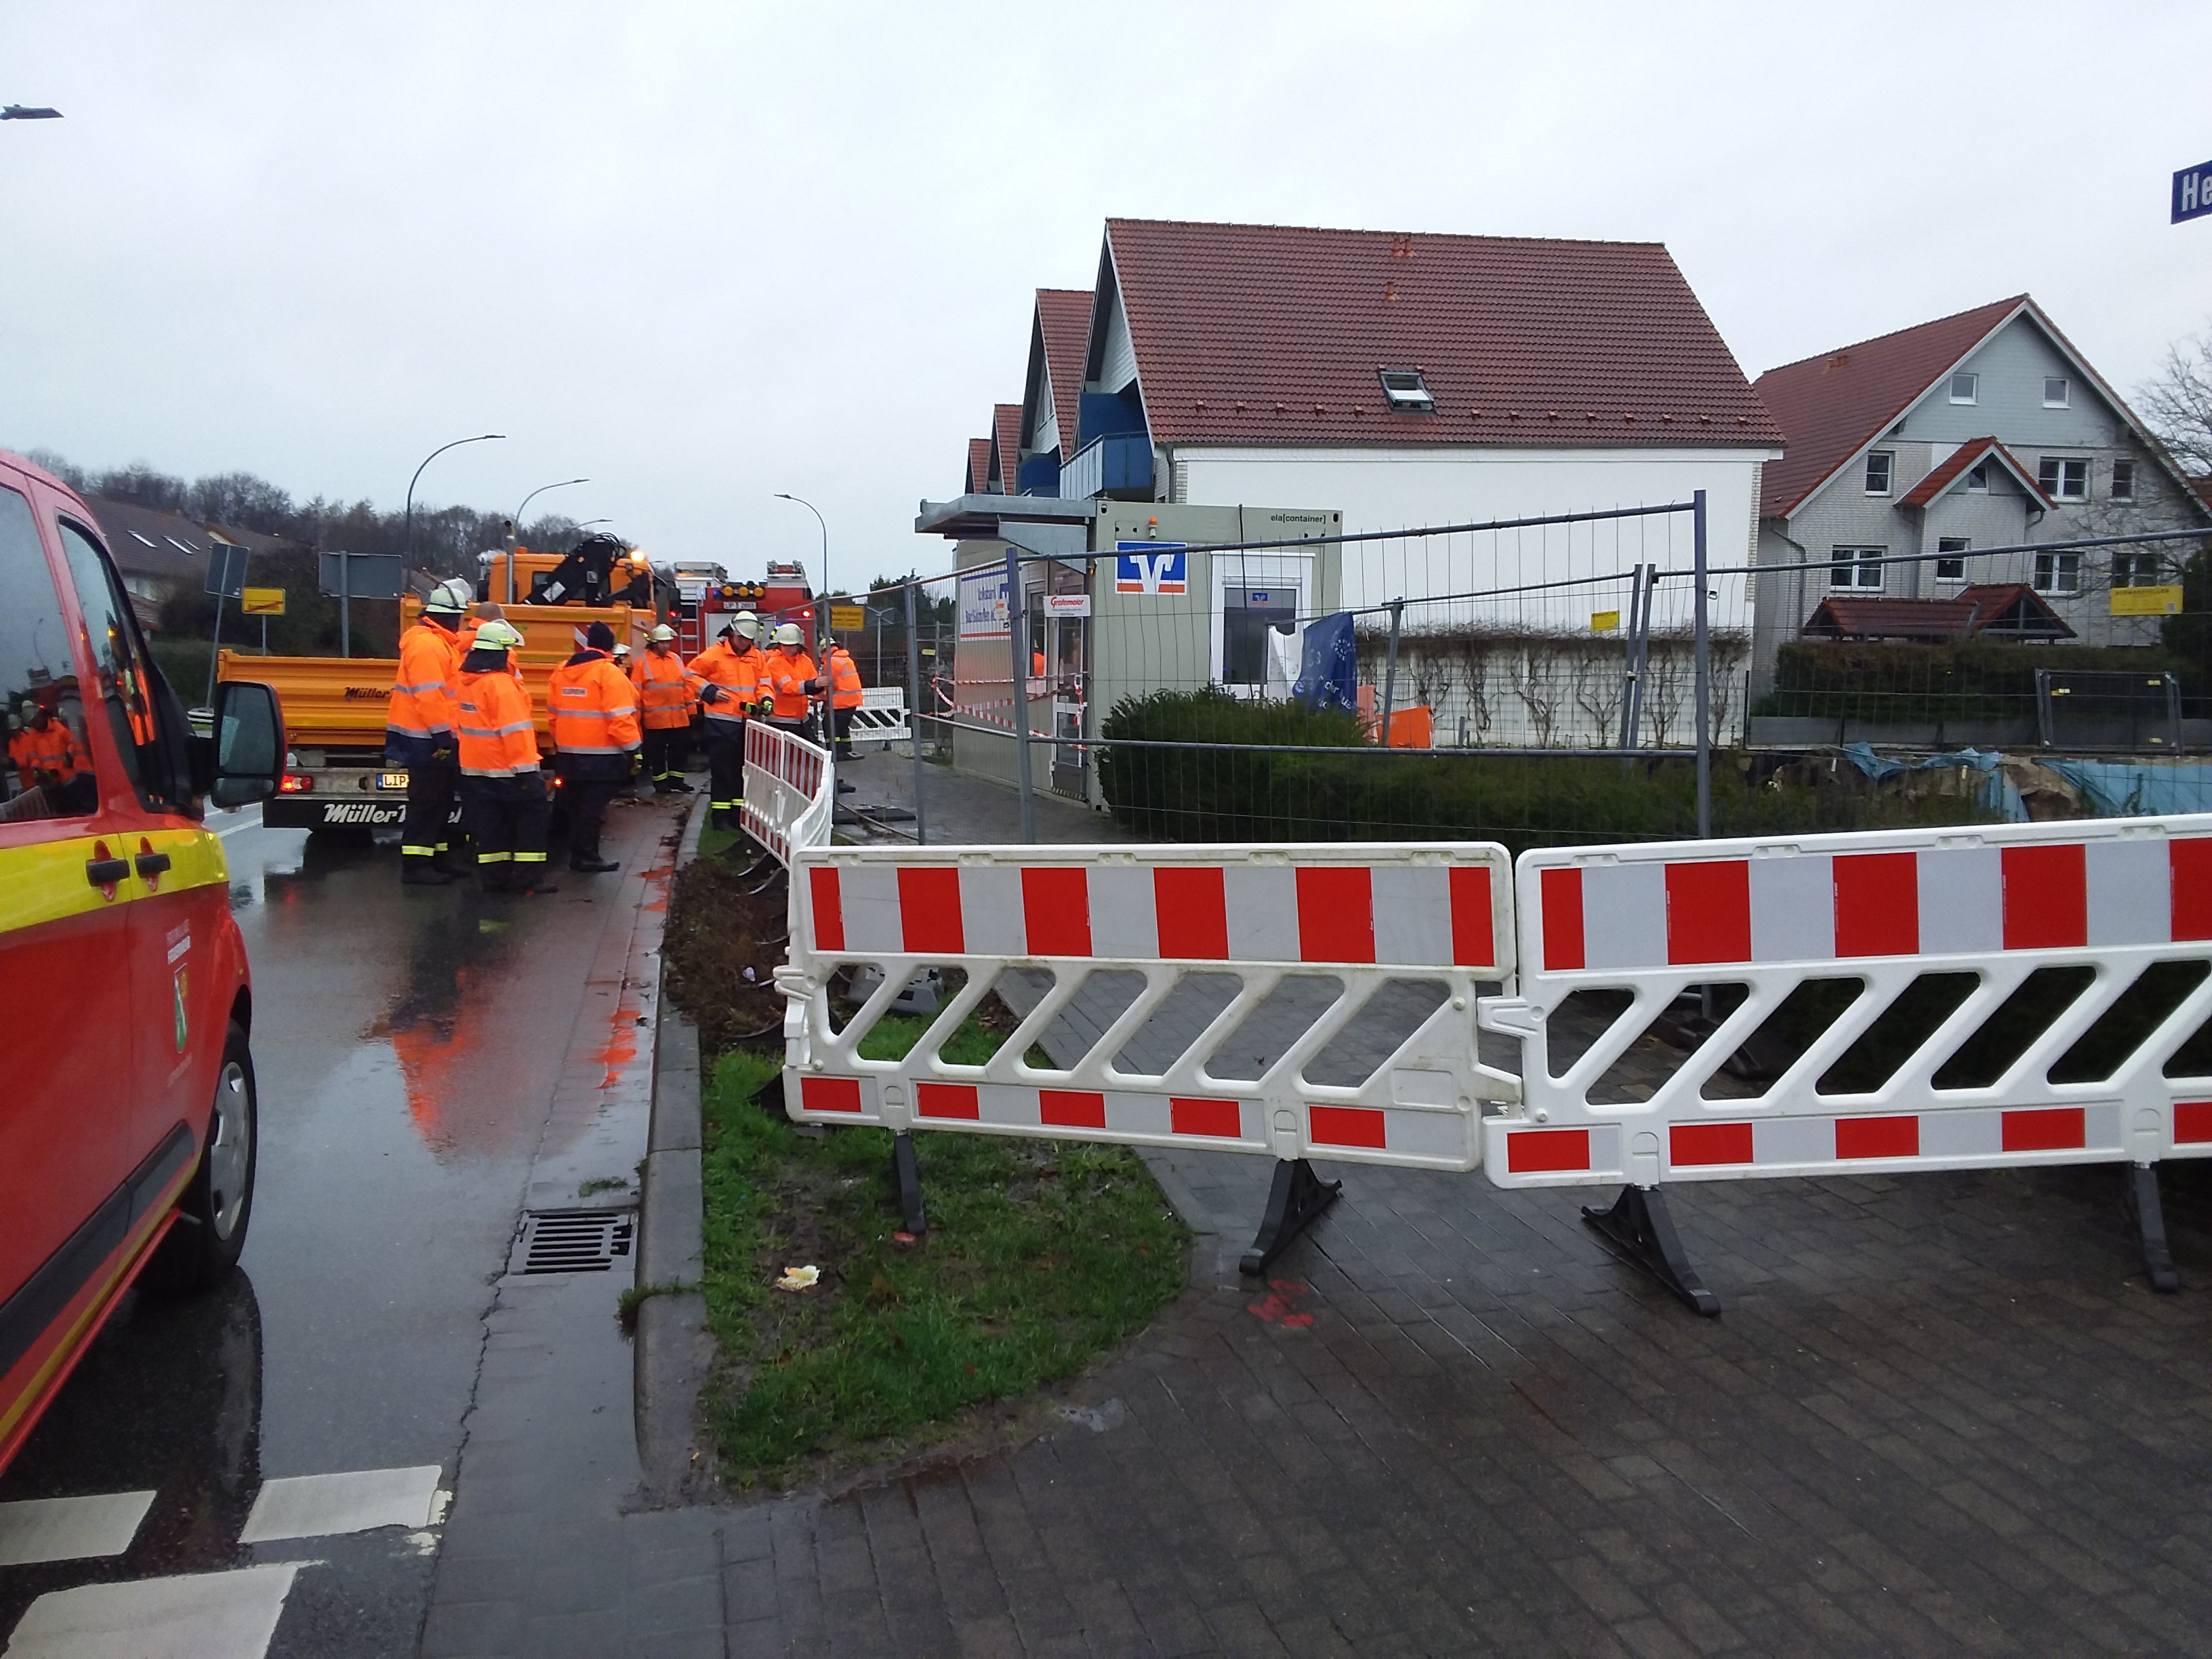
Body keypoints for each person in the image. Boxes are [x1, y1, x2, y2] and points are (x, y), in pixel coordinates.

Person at [455, 619, 557, 895]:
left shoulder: (466, 683)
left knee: (491, 827)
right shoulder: (501, 686)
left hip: (475, 771)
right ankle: (528, 879)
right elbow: (516, 733)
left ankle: (494, 879)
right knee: (533, 820)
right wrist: (528, 773)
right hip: (508, 770)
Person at [386, 577, 472, 886]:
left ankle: (438, 858)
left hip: (430, 737)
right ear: (448, 616)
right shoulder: (427, 646)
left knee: (440, 802)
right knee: (427, 803)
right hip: (426, 739)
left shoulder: (438, 643)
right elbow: (430, 696)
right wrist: (443, 737)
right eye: (459, 617)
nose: (461, 623)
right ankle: (416, 866)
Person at [548, 621, 640, 874]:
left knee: (576, 808)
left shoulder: (561, 671)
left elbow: (553, 716)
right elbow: (620, 720)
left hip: (568, 755)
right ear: (609, 648)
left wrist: (563, 742)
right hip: (602, 759)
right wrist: (634, 750)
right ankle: (587, 856)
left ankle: (579, 854)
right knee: (593, 810)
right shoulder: (609, 674)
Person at [687, 613, 764, 829]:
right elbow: (689, 674)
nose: (745, 642)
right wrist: (710, 692)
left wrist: (766, 698)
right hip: (721, 724)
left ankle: (737, 816)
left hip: (747, 723)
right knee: (722, 772)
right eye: (741, 638)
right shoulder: (715, 654)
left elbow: (764, 683)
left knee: (742, 771)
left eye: (748, 639)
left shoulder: (757, 657)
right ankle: (720, 818)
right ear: (732, 633)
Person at [632, 624, 697, 794]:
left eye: (668, 642)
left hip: (679, 718)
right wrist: (637, 719)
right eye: (662, 643)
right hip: (655, 721)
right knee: (657, 754)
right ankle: (660, 783)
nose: (666, 646)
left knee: (680, 751)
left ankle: (677, 780)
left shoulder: (675, 659)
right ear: (654, 643)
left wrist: (692, 711)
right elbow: (636, 693)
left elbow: (686, 686)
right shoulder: (643, 662)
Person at [763, 622, 821, 739]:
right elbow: (787, 687)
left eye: (792, 645)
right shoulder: (774, 663)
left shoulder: (805, 661)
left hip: (802, 719)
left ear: (798, 645)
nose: (788, 648)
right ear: (779, 645)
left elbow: (814, 680)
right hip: (780, 721)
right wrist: (813, 685)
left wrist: (818, 693)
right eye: (785, 645)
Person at [826, 634, 864, 760]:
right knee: (843, 727)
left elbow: (827, 684)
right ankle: (846, 750)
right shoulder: (846, 659)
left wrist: (818, 697)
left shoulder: (831, 662)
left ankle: (835, 752)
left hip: (840, 701)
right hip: (852, 700)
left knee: (831, 726)